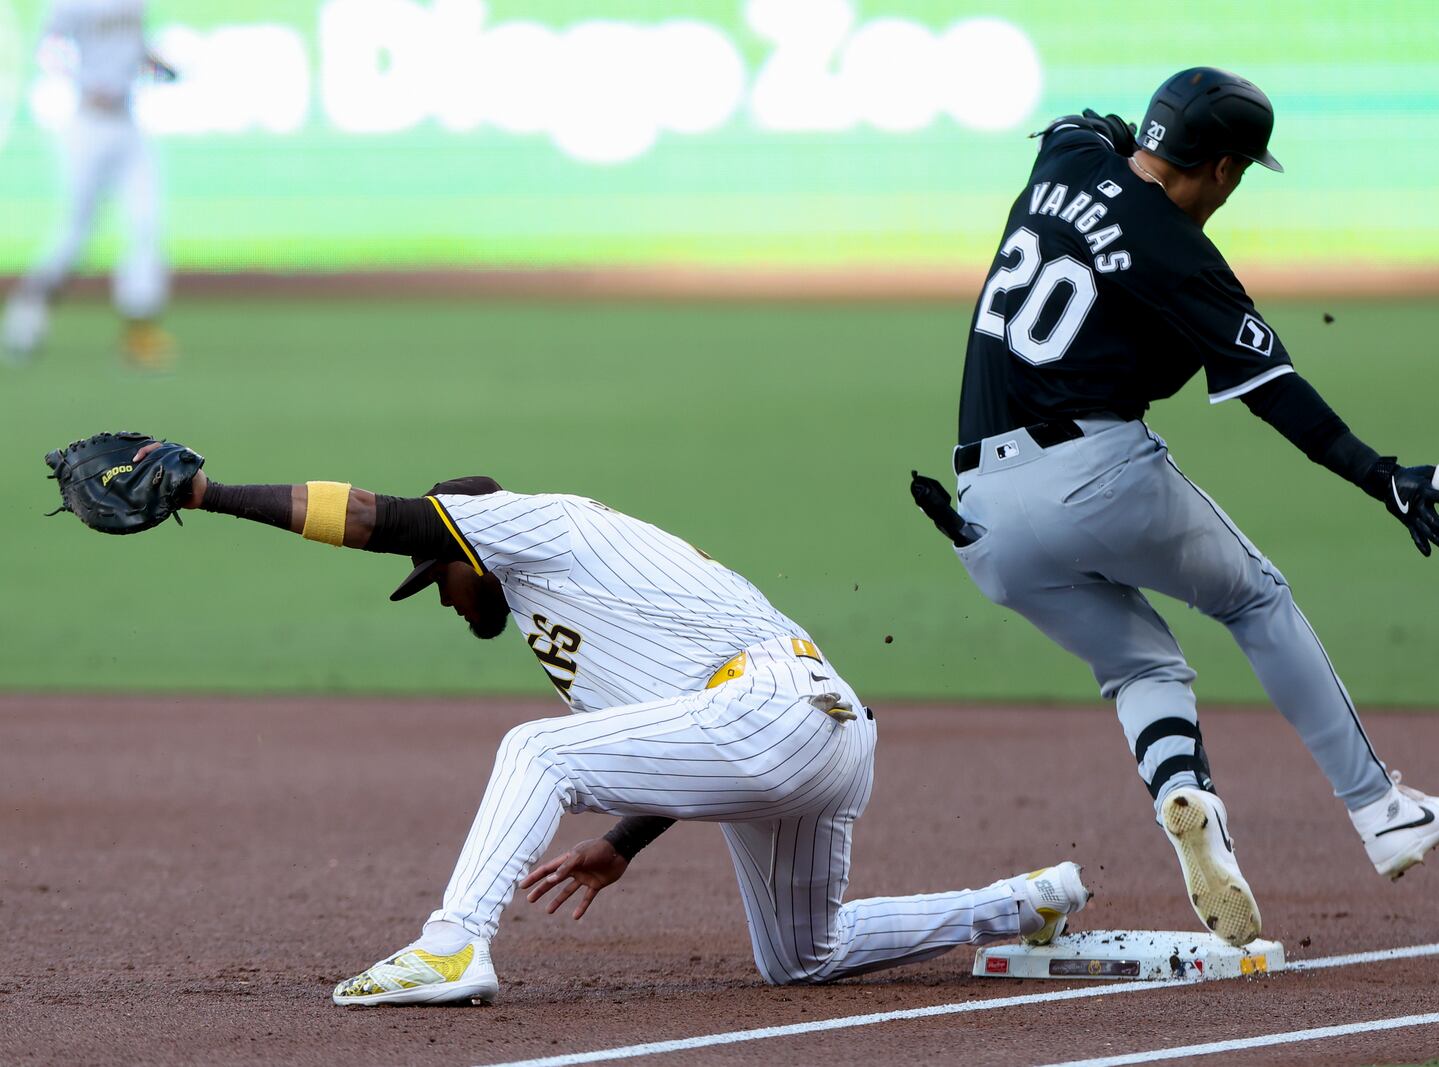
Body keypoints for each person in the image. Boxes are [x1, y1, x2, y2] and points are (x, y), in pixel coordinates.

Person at [137, 446, 1090, 1004]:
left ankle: (454, 941)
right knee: (802, 956)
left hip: (773, 708)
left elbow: (376, 518)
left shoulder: (525, 524)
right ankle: (1022, 902)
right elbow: (678, 733)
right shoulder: (564, 610)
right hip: (821, 733)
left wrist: (205, 495)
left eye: (442, 571)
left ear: (470, 540)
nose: (441, 594)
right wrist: (624, 840)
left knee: (532, 749)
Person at [923, 67, 1439, 948]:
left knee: (1143, 667)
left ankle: (1188, 795)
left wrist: (1116, 140)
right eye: (1241, 171)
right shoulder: (1181, 256)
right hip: (1095, 474)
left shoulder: (1068, 155)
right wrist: (1380, 475)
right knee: (1255, 597)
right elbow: (1277, 391)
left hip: (979, 512)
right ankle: (1380, 810)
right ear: (1221, 167)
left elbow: (1082, 124)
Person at [2, 0, 175, 368]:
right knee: (75, 234)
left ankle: (140, 334)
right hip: (87, 123)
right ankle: (28, 313)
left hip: (128, 120)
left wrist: (159, 66)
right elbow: (47, 50)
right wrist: (84, 81)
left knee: (146, 223)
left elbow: (133, 46)